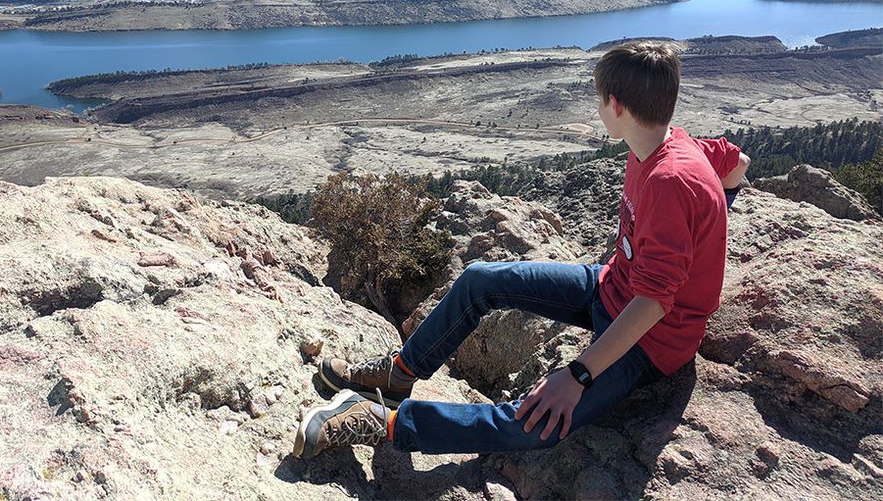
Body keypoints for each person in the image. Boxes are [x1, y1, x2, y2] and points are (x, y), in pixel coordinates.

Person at [293, 41, 750, 459]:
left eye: (599, 101)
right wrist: (710, 223)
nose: (598, 110)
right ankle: (399, 375)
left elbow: (652, 304)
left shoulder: (671, 180)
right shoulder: (672, 142)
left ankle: (386, 422)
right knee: (481, 280)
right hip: (610, 285)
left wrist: (577, 376)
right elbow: (738, 163)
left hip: (649, 342)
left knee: (536, 425)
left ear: (615, 105)